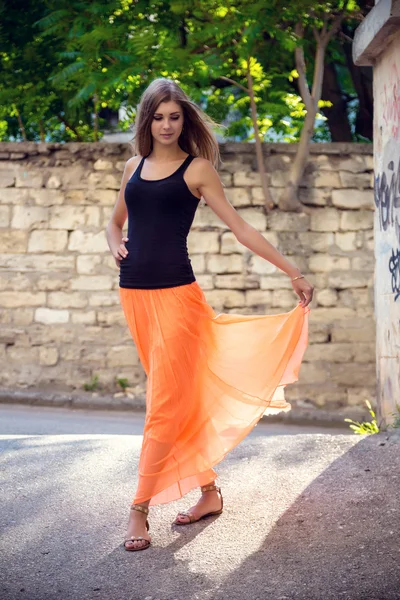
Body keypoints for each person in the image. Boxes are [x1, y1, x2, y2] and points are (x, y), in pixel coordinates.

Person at [105, 77, 313, 552]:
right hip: (134, 294)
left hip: (178, 297)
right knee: (181, 399)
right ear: (146, 120)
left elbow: (240, 227)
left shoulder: (196, 170)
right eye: (158, 116)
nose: (166, 124)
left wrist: (293, 271)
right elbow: (115, 222)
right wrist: (116, 244)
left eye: (174, 116)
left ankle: (138, 509)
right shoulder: (132, 166)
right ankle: (209, 492)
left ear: (185, 120)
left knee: (163, 403)